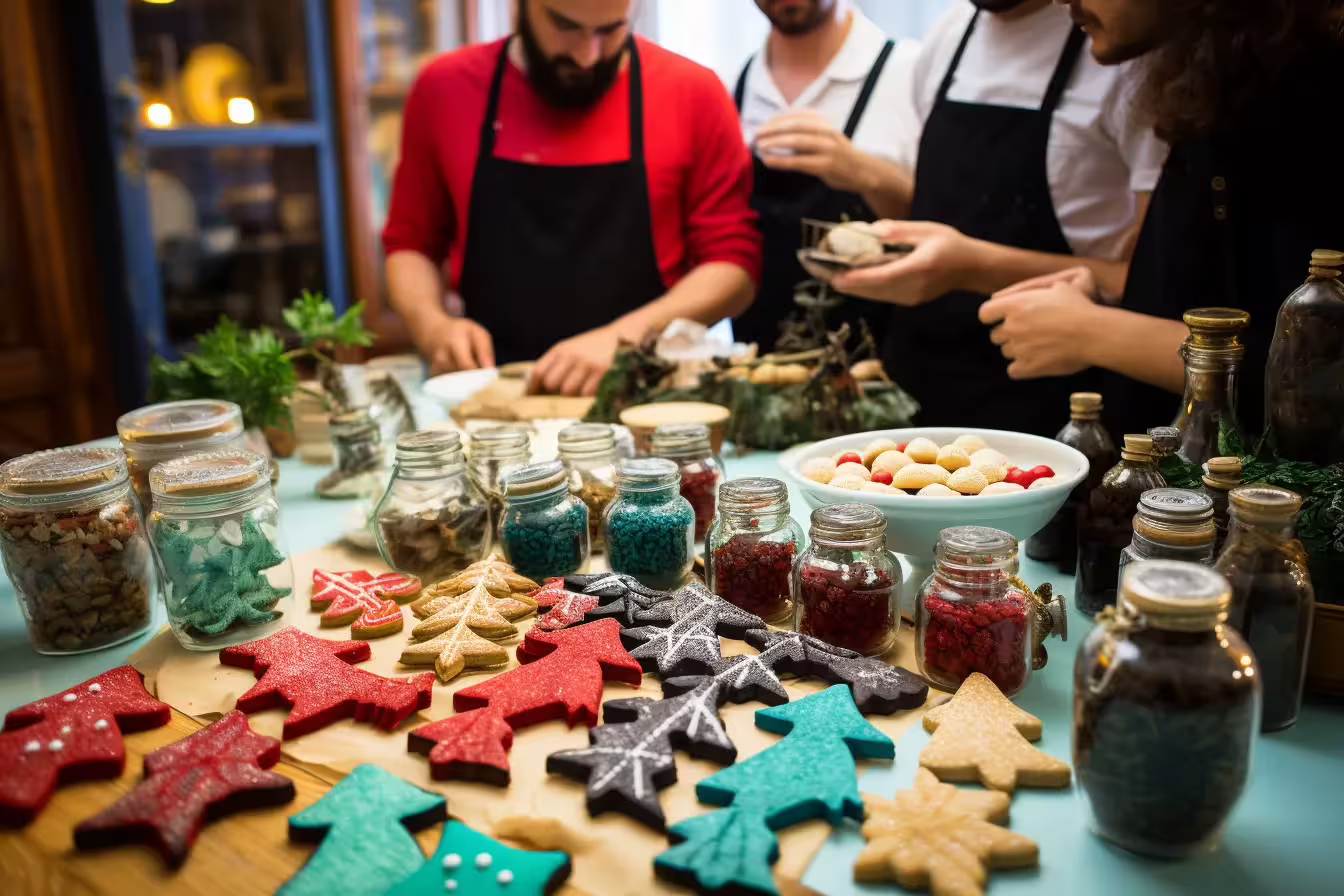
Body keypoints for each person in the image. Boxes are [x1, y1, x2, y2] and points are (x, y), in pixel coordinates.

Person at [980, 0, 1344, 441]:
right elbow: (1221, 292)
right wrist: (1102, 305)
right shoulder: (1219, 84)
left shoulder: (1309, 99)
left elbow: (1315, 375)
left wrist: (1095, 332)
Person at [822, 0, 1166, 436]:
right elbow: (931, 207)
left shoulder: (1123, 53)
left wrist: (972, 267)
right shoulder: (950, 35)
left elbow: (1149, 286)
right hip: (918, 388)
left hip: (1054, 407)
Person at [382, 0, 761, 395]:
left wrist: (625, 337)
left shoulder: (692, 92)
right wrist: (432, 325)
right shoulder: (445, 89)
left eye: (610, 30)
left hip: (648, 403)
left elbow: (733, 266)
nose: (587, 55)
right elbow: (411, 244)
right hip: (495, 403)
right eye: (566, 26)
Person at [732, 0, 920, 352]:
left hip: (878, 368)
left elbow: (947, 229)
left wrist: (865, 173)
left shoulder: (909, 72)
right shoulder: (736, 83)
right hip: (758, 368)